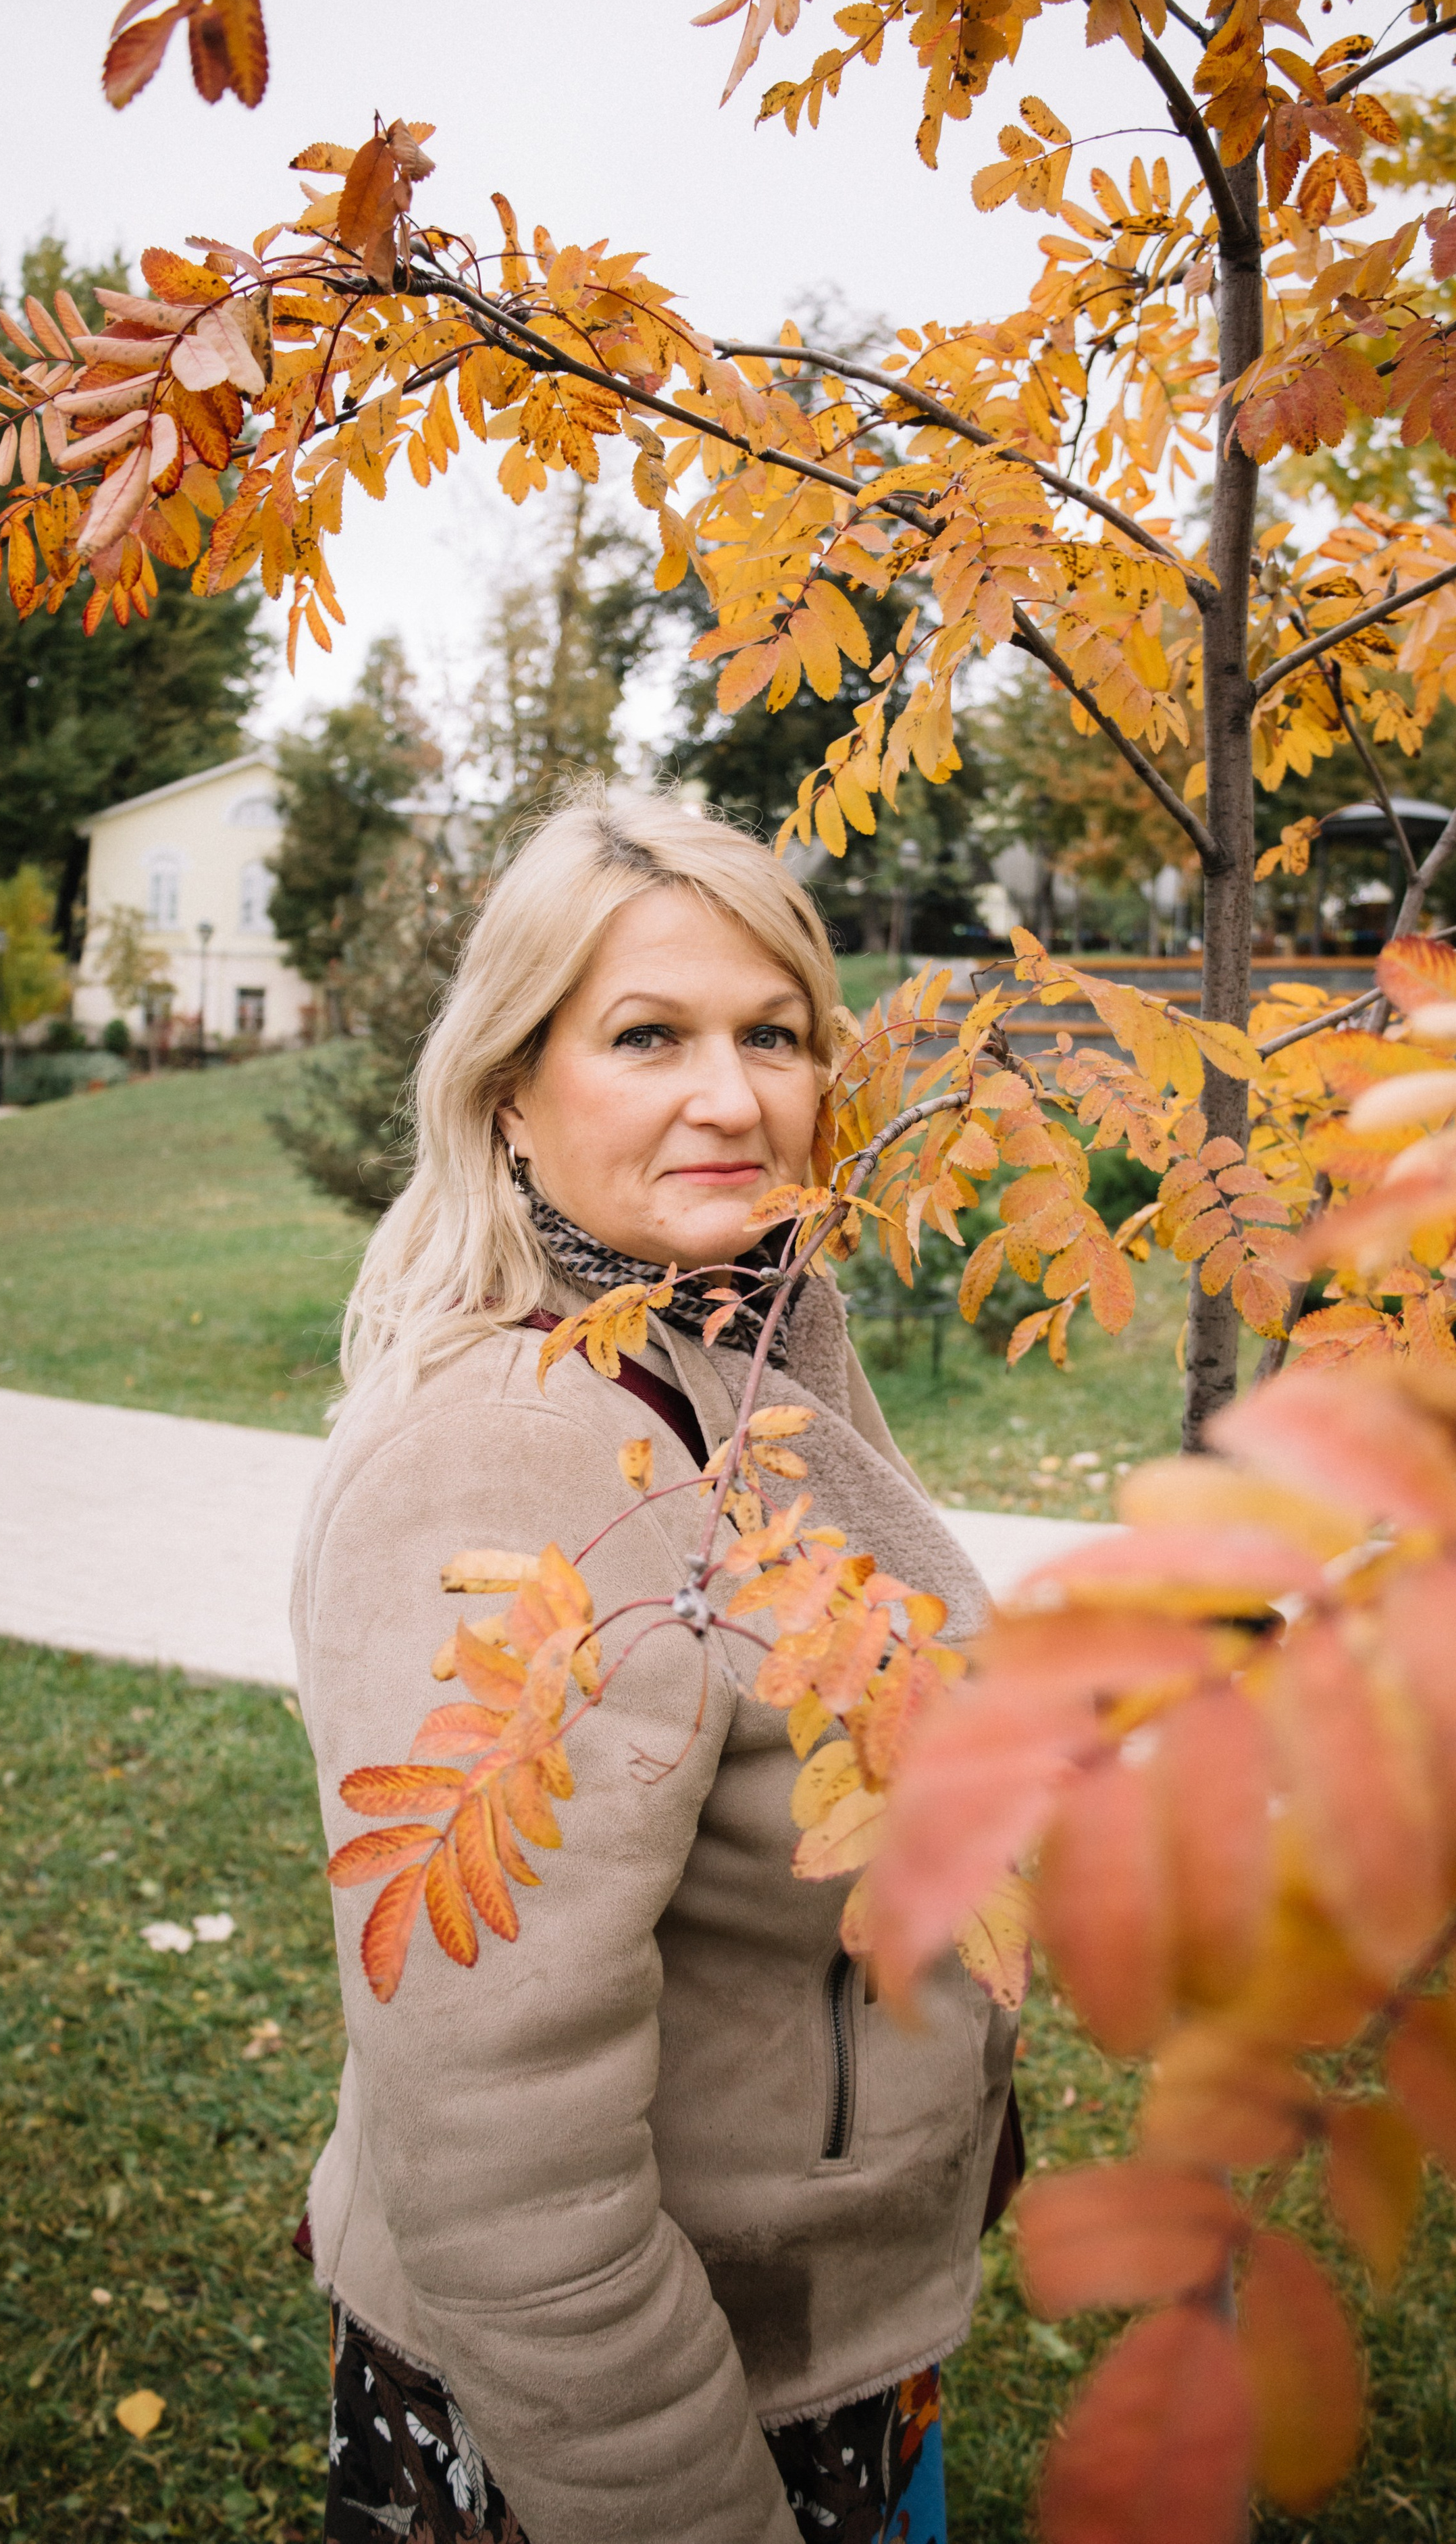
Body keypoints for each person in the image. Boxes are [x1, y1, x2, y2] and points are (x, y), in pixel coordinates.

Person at [292, 788, 1017, 2544]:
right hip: (648, 2429)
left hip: (835, 2354)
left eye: (774, 1033)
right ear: (510, 1090)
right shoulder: (525, 1452)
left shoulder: (739, 1345)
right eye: (648, 1035)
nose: (735, 1094)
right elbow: (508, 2166)